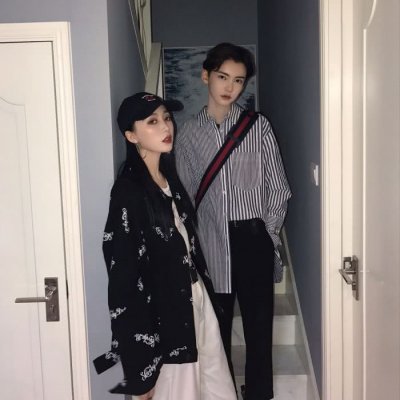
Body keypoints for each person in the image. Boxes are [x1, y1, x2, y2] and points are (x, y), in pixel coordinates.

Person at [93, 92, 237, 400]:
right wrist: (139, 369)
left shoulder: (169, 179)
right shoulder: (129, 192)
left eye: (167, 118)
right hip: (166, 323)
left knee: (216, 389)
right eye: (152, 121)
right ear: (131, 136)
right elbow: (123, 282)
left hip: (195, 301)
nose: (165, 126)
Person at [175, 43, 292, 400]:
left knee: (258, 327)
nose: (230, 87)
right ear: (206, 76)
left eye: (238, 80)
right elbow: (186, 194)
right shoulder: (188, 133)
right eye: (223, 77)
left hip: (253, 237)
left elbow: (278, 187)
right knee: (216, 329)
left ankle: (258, 393)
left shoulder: (258, 127)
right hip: (211, 241)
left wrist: (267, 233)